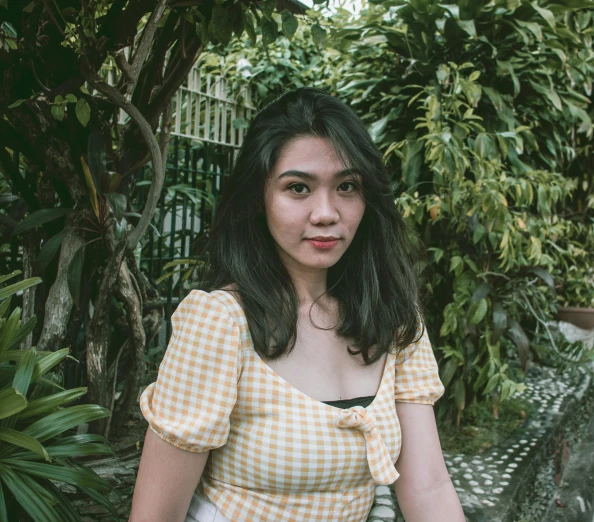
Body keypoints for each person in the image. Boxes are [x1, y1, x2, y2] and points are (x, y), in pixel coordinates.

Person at [129, 88, 465, 522]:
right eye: (298, 188)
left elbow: (429, 487)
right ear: (259, 198)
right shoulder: (222, 322)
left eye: (347, 186)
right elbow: (156, 516)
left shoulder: (392, 316)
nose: (326, 213)